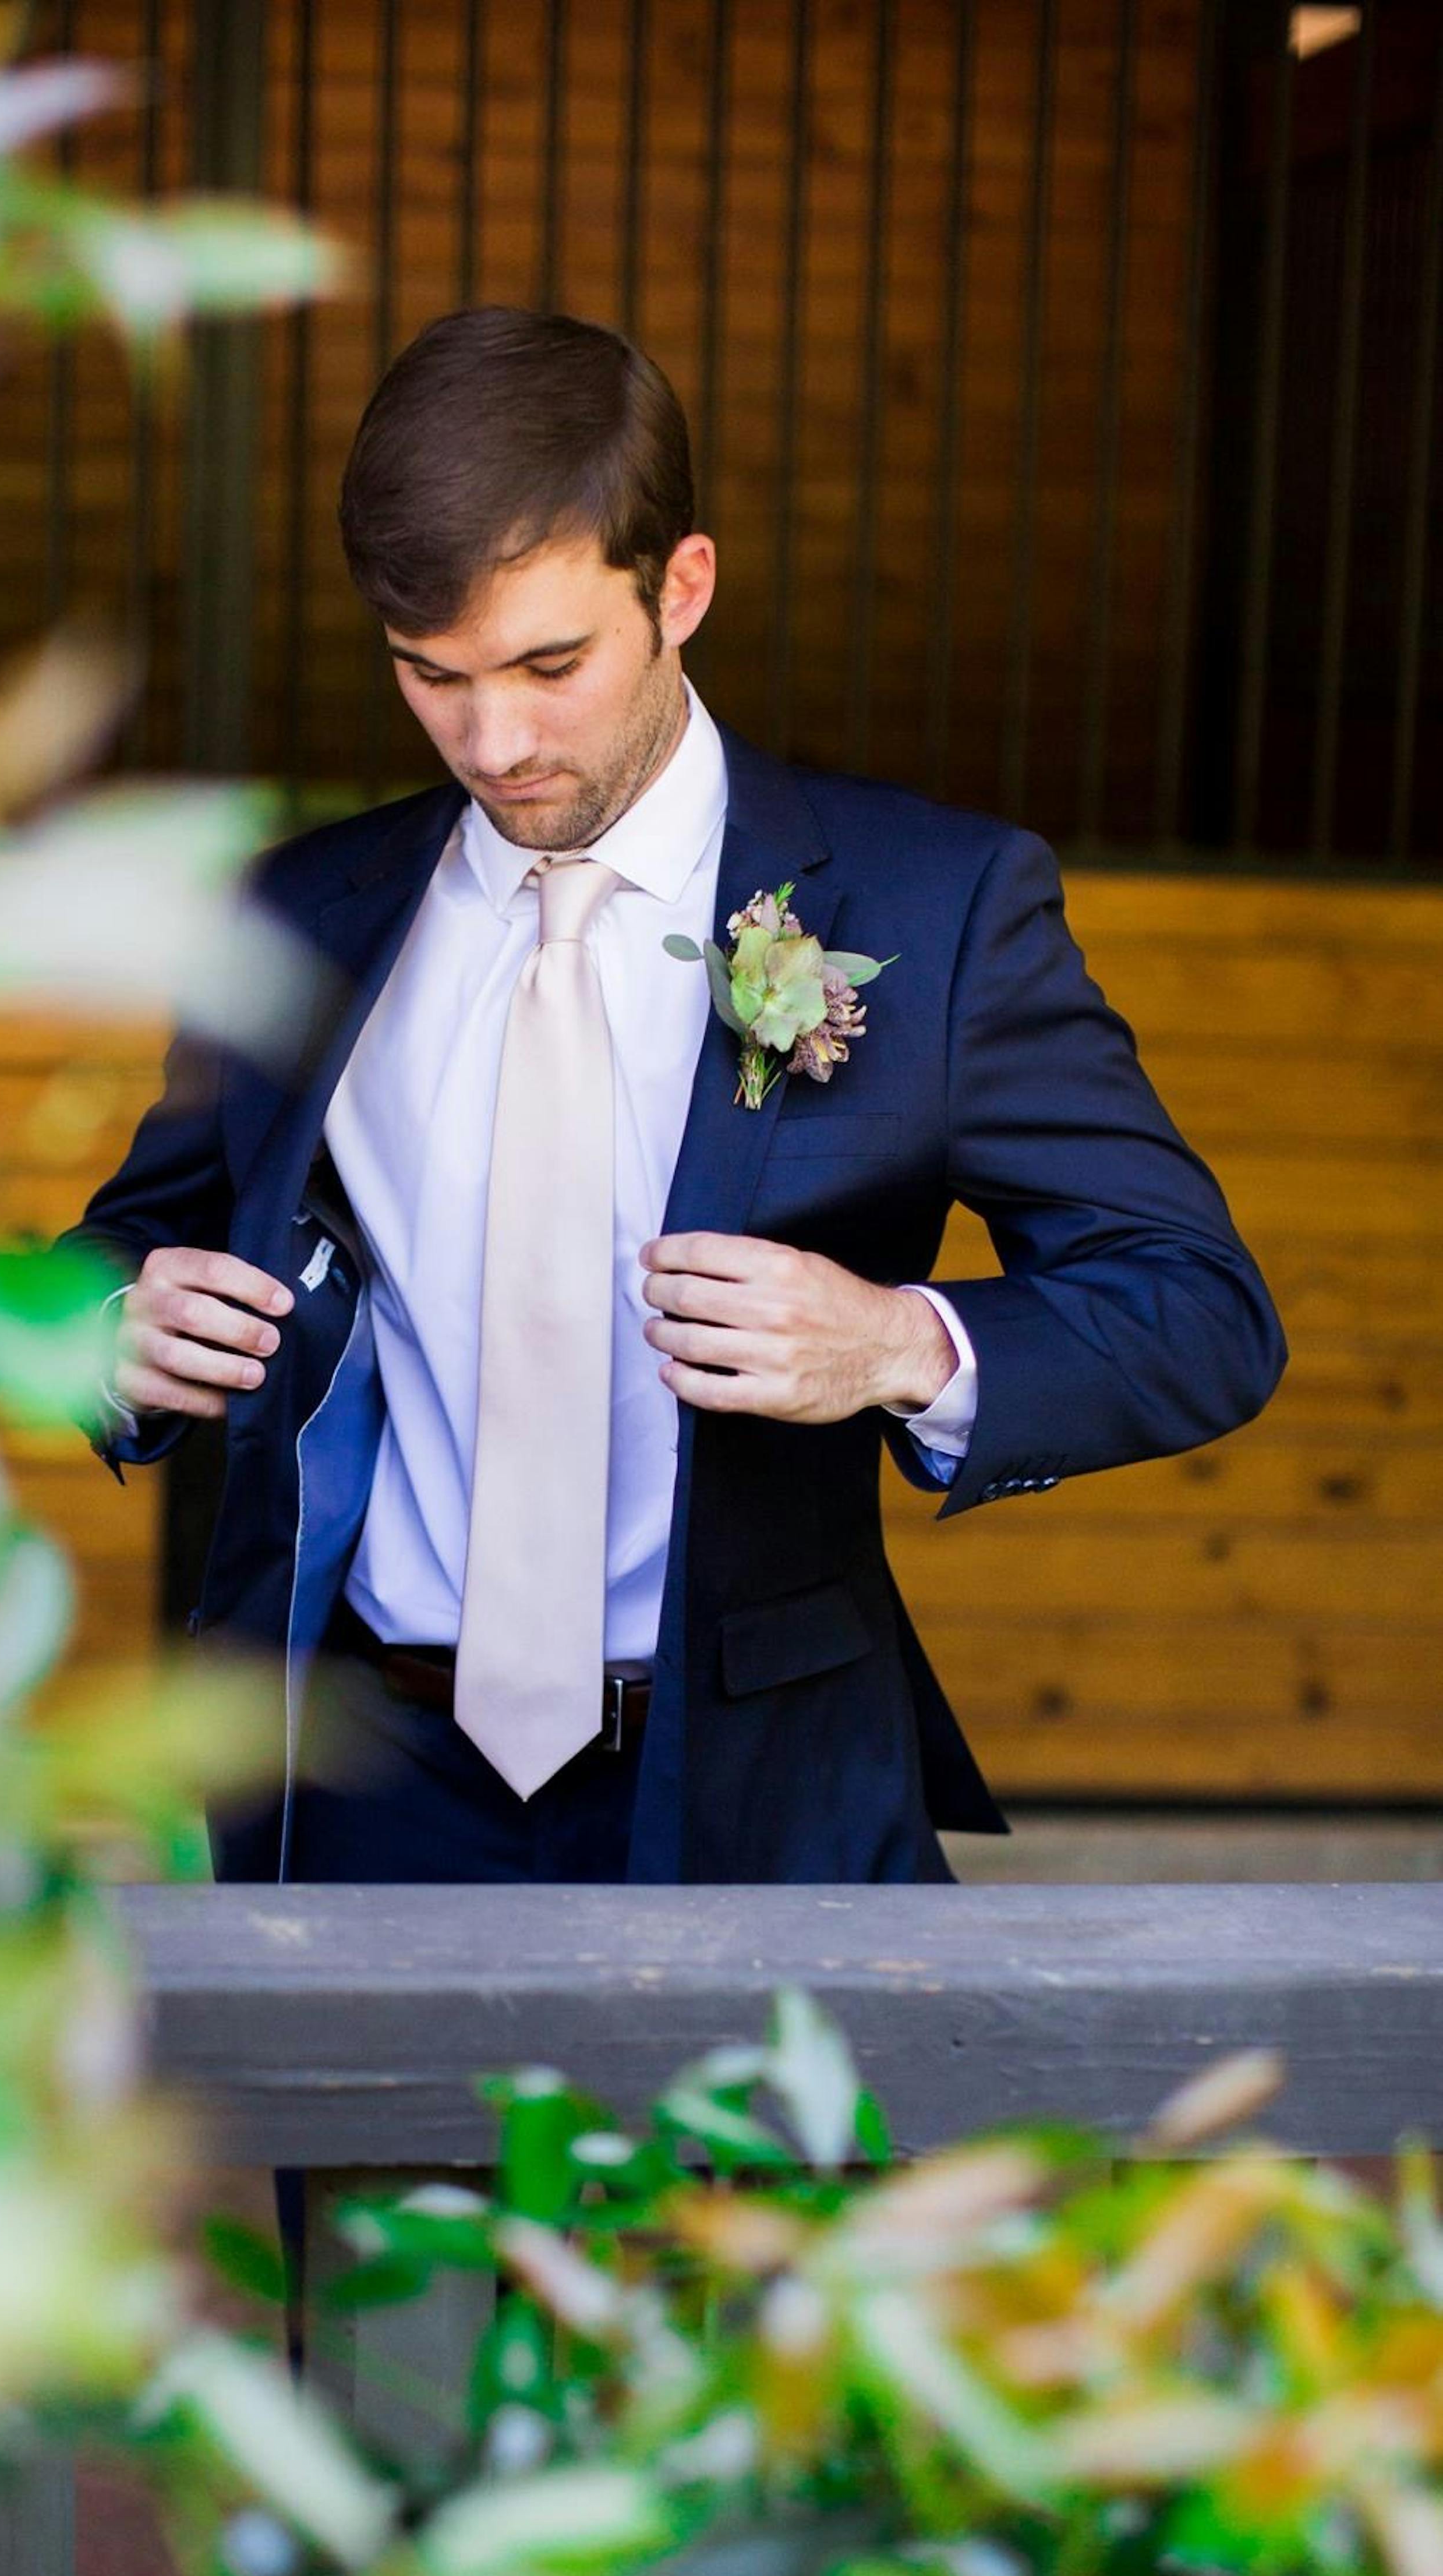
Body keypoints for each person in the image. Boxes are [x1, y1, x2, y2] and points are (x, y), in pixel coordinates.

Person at [70, 306, 1286, 1886]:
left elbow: (1201, 1310)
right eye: (428, 675)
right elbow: (124, 1256)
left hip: (760, 1796)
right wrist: (113, 1339)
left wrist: (899, 1344)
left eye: (549, 665)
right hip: (360, 1802)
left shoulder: (940, 905)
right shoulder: (295, 915)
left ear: (684, 587)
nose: (492, 741)